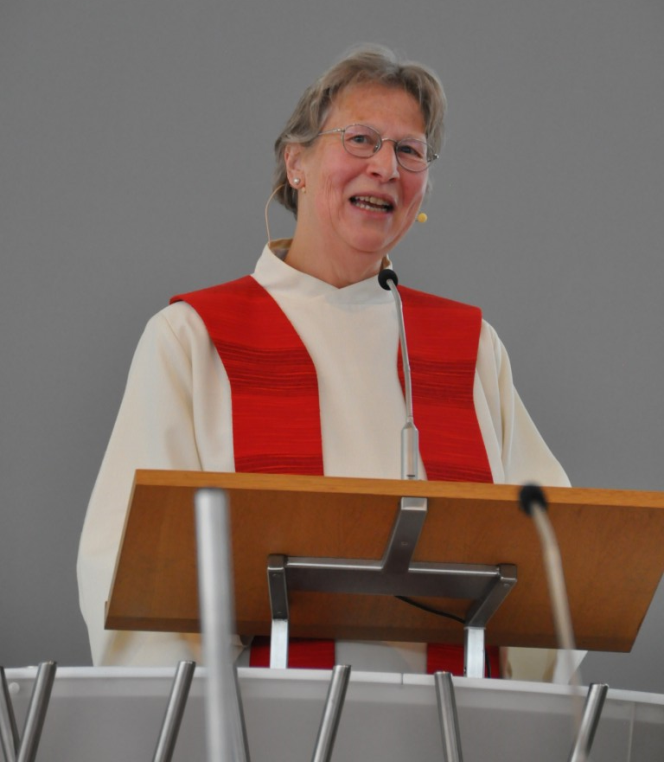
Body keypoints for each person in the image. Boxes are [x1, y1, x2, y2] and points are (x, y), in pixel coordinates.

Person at [77, 45, 570, 679]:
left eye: (410, 150)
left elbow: (555, 560)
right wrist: (209, 717)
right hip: (266, 718)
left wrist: (519, 713)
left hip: (453, 718)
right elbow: (133, 562)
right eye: (360, 139)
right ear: (297, 164)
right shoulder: (195, 338)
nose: (385, 167)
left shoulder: (469, 348)